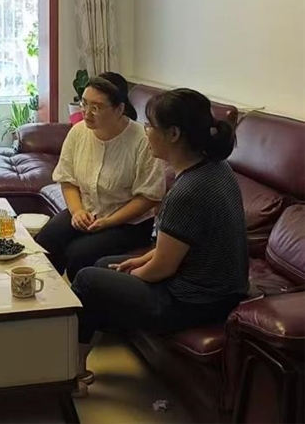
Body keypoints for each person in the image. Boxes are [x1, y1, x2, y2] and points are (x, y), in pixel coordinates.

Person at [71, 88, 249, 394]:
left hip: (195, 301)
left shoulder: (188, 192)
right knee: (104, 265)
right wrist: (136, 263)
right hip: (221, 290)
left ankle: (69, 371)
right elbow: (179, 246)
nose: (146, 132)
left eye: (150, 126)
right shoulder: (217, 168)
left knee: (89, 279)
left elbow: (162, 268)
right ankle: (78, 362)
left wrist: (133, 273)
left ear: (174, 134)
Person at [35, 72, 166, 281]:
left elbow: (149, 196)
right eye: (84, 104)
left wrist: (109, 221)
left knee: (79, 254)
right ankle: (44, 293)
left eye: (96, 107)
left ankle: (79, 299)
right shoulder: (78, 132)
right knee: (46, 241)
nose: (87, 113)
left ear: (119, 109)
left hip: (128, 223)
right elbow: (67, 179)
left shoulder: (142, 140)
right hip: (88, 211)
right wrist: (77, 211)